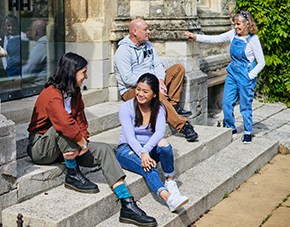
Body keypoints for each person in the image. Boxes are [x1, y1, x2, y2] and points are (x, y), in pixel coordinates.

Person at [27, 52, 157, 227]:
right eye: (83, 72)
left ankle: (127, 203)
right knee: (62, 129)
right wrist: (81, 142)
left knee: (104, 149)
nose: (86, 77)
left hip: (66, 146)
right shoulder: (50, 94)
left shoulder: (75, 93)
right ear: (72, 72)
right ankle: (72, 174)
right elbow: (64, 123)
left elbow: (81, 121)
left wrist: (84, 142)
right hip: (41, 147)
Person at [185, 9, 265, 143]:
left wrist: (250, 75)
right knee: (226, 102)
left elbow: (262, 62)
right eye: (235, 23)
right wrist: (196, 37)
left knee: (245, 105)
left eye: (239, 24)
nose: (236, 26)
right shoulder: (233, 34)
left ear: (247, 24)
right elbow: (215, 39)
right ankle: (231, 127)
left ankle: (247, 132)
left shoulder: (253, 39)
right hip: (233, 73)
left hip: (246, 75)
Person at [114, 18, 198, 142]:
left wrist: (160, 80)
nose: (148, 32)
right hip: (132, 89)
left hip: (152, 82)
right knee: (156, 94)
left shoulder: (148, 45)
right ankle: (183, 126)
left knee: (178, 69)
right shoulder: (123, 51)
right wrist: (153, 85)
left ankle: (172, 105)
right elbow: (128, 79)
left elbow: (158, 65)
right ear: (134, 31)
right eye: (145, 29)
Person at [116, 73, 189, 212]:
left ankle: (170, 181)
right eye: (138, 89)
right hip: (127, 150)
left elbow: (159, 133)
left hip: (147, 149)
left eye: (145, 91)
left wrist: (146, 151)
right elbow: (130, 137)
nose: (140, 94)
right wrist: (143, 153)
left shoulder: (160, 108)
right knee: (148, 167)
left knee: (164, 144)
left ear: (154, 94)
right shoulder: (126, 108)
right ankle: (169, 198)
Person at [22, 19, 47, 85]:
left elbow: (28, 72)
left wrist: (16, 73)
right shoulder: (47, 43)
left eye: (31, 30)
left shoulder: (41, 46)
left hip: (37, 85)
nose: (30, 32)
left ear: (36, 31)